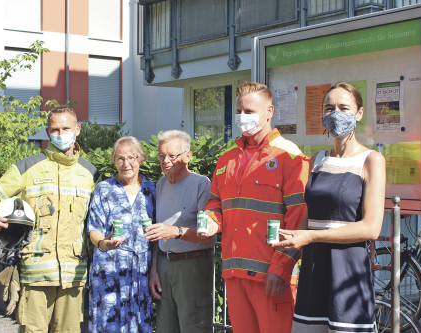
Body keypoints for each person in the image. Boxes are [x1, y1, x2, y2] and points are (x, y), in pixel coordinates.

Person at [0, 106, 98, 332]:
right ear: (48, 132)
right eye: (55, 129)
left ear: (77, 129)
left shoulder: (90, 173)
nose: (61, 134)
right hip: (35, 273)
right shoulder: (27, 168)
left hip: (74, 275)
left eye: (66, 128)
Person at [274, 82, 386, 332]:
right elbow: (308, 215)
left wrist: (311, 236)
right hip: (314, 269)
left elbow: (371, 228)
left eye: (344, 107)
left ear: (359, 113)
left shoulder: (372, 160)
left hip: (348, 271)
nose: (336, 113)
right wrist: (291, 238)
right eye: (329, 108)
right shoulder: (317, 159)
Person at [202, 82, 309, 333]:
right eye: (239, 110)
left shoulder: (290, 156)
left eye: (249, 111)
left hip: (271, 275)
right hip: (235, 272)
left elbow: (298, 218)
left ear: (269, 112)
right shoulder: (226, 158)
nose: (242, 117)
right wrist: (211, 219)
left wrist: (281, 268)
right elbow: (215, 202)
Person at [145, 130, 215, 333]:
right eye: (161, 155)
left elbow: (207, 232)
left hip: (192, 264)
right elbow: (158, 233)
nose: (166, 161)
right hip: (164, 264)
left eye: (172, 156)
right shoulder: (160, 184)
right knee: (166, 328)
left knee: (194, 327)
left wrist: (174, 231)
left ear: (188, 156)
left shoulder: (202, 184)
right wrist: (154, 270)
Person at [87, 136, 156, 333]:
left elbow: (157, 236)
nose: (126, 164)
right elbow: (93, 228)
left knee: (139, 324)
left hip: (140, 273)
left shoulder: (152, 190)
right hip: (110, 270)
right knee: (109, 325)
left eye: (131, 158)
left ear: (141, 159)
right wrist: (102, 243)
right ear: (114, 161)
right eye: (120, 158)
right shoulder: (104, 189)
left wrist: (153, 271)